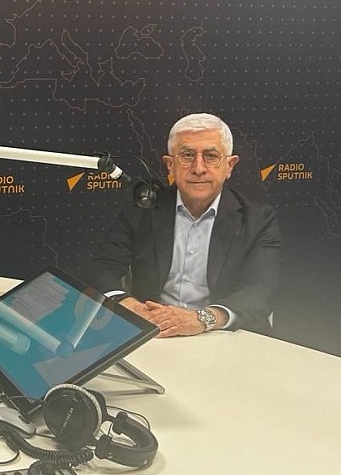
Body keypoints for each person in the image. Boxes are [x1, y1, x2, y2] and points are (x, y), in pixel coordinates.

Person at [85, 113, 281, 336]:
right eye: (187, 155)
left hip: (220, 336)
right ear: (170, 165)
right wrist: (130, 306)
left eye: (211, 156)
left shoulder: (258, 220)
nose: (198, 168)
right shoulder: (143, 209)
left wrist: (202, 319)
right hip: (154, 332)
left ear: (229, 166)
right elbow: (101, 269)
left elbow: (260, 292)